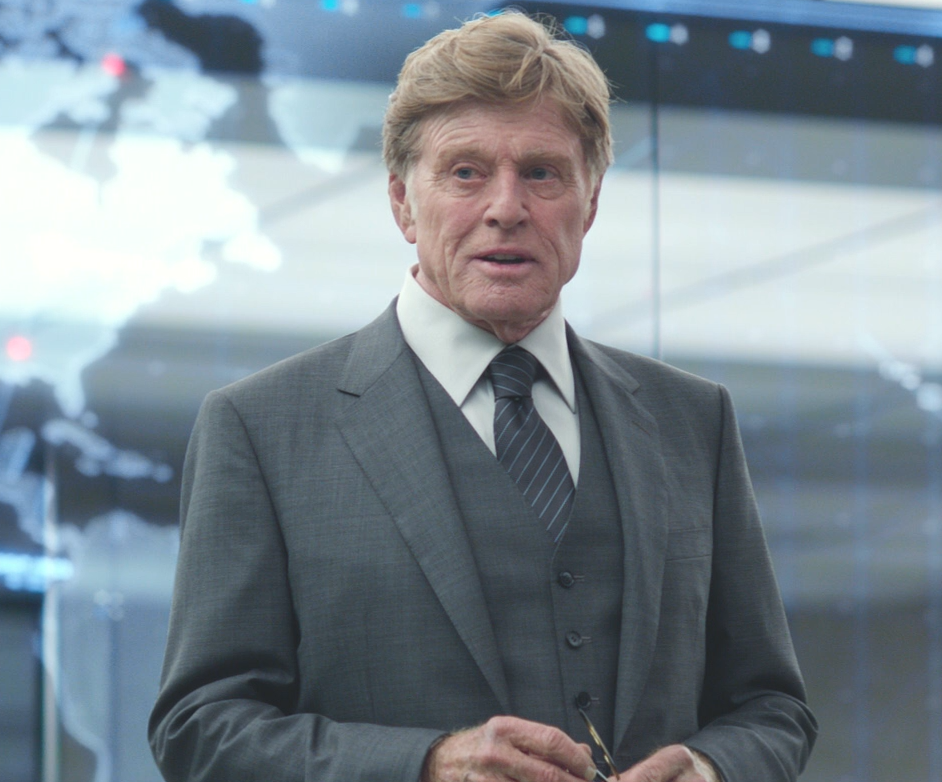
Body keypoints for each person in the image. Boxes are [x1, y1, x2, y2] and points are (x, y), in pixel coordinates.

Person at [149, 11, 817, 782]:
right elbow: (200, 730)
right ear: (402, 202)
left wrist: (707, 768)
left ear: (591, 202)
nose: (506, 207)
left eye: (542, 173)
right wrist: (424, 766)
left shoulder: (692, 422)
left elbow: (772, 707)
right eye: (465, 172)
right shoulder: (261, 429)